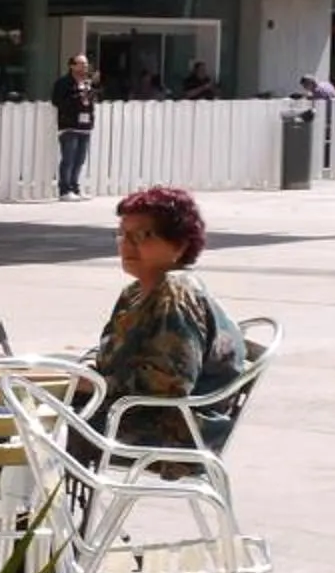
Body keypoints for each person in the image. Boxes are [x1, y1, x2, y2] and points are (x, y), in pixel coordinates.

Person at [87, 187, 247, 455]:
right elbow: (107, 354)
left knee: (29, 423)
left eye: (142, 235)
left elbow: (170, 386)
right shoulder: (134, 293)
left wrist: (94, 384)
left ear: (179, 244)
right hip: (126, 413)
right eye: (122, 234)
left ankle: (27, 495)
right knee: (26, 409)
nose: (127, 244)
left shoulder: (177, 293)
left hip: (171, 432)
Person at [51, 54, 98, 200]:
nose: (84, 67)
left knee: (80, 159)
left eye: (86, 64)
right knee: (68, 158)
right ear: (72, 66)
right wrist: (77, 96)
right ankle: (64, 190)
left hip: (84, 125)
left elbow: (91, 101)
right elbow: (57, 100)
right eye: (81, 63)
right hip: (69, 125)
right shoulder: (63, 83)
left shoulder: (87, 82)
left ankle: (75, 188)